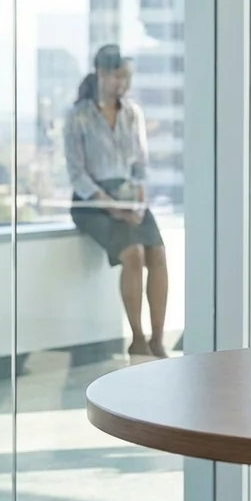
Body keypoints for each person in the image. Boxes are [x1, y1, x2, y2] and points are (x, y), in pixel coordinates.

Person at [65, 45, 169, 358]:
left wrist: (137, 198)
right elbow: (77, 174)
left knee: (157, 254)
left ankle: (157, 339)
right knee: (133, 254)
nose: (122, 84)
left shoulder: (132, 113)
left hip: (128, 197)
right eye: (116, 76)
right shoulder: (78, 116)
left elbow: (140, 165)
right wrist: (110, 205)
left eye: (126, 77)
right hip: (92, 202)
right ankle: (137, 339)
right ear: (101, 74)